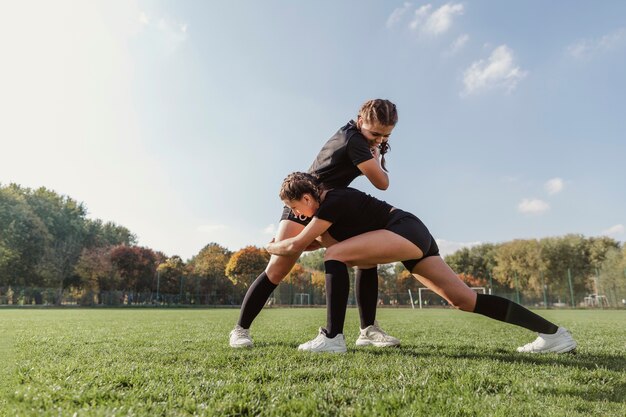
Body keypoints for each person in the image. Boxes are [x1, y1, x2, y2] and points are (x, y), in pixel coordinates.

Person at [266, 172, 578, 354]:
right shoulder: (328, 210)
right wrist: (290, 246)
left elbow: (298, 244)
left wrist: (271, 246)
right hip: (413, 234)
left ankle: (332, 337)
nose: (298, 215)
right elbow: (311, 242)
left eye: (294, 208)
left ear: (307, 198)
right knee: (463, 300)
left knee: (335, 256)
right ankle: (554, 334)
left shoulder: (333, 200)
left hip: (403, 229)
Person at [229, 99, 401, 349]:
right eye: (375, 133)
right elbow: (382, 183)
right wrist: (375, 155)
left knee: (365, 256)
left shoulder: (361, 137)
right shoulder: (354, 140)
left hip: (330, 204)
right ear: (360, 121)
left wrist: (375, 147)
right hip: (304, 201)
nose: (379, 139)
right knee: (278, 267)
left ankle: (368, 330)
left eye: (386, 135)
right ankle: (240, 329)